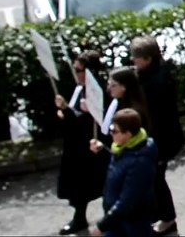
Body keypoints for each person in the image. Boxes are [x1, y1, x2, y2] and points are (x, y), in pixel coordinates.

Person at [130, 36, 183, 236]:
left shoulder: (157, 82)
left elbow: (159, 117)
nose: (134, 61)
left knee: (157, 179)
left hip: (162, 139)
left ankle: (168, 219)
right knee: (154, 179)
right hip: (160, 137)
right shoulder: (152, 75)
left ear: (148, 58)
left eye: (137, 57)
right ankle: (164, 217)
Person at [54, 51, 110, 236]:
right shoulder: (79, 89)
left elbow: (88, 122)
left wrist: (67, 111)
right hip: (76, 147)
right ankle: (80, 217)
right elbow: (74, 115)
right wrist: (65, 113)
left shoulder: (98, 91)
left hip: (92, 146)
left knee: (103, 182)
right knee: (78, 188)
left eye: (79, 70)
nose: (76, 73)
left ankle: (112, 218)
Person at [90, 109, 157, 237]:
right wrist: (102, 153)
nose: (111, 133)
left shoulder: (140, 162)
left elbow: (128, 200)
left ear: (128, 134)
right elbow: (119, 168)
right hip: (117, 217)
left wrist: (102, 226)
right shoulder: (123, 149)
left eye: (115, 131)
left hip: (134, 219)